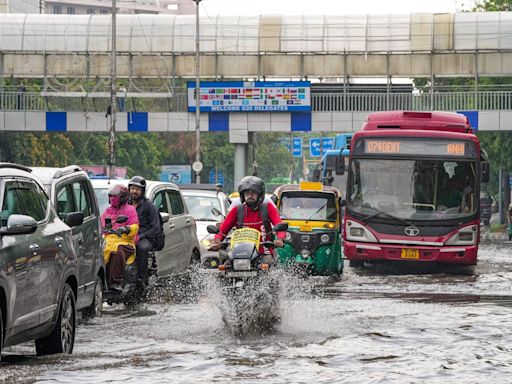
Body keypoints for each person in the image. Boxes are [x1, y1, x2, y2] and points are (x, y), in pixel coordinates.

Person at [211, 176, 286, 264]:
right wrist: (217, 240)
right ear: (243, 195)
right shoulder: (237, 210)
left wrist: (280, 239)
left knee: (269, 264)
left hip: (264, 252)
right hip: (239, 253)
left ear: (260, 194)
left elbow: (279, 225)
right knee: (226, 266)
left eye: (253, 193)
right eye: (247, 193)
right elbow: (222, 231)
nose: (250, 196)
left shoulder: (268, 208)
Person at [100, 184, 139, 290]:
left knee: (117, 251)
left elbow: (135, 226)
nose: (112, 199)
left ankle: (115, 282)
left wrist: (125, 229)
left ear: (122, 198)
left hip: (125, 241)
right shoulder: (108, 211)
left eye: (115, 196)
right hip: (108, 239)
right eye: (110, 196)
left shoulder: (130, 210)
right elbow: (100, 224)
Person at [128, 176, 162, 284]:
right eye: (132, 188)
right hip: (128, 235)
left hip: (146, 237)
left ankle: (142, 278)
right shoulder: (125, 205)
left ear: (142, 191)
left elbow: (156, 228)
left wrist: (140, 236)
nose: (134, 191)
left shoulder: (149, 206)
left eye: (137, 189)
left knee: (141, 248)